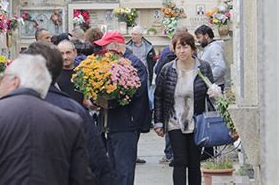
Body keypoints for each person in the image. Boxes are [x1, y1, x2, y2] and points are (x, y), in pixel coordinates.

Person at [0, 42, 114, 184]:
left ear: (16, 80)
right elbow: (92, 171)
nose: (0, 84)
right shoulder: (71, 118)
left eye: (3, 77)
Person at [154, 32, 220, 185]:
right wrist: (158, 122)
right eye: (178, 47)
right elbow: (159, 96)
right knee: (180, 161)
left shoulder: (203, 67)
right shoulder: (167, 69)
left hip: (196, 121)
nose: (182, 51)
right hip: (174, 121)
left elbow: (211, 91)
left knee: (194, 162)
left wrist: (214, 93)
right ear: (174, 49)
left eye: (185, 47)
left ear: (192, 49)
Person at [93, 31, 150, 185]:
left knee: (123, 171)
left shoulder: (134, 64)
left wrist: (108, 101)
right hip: (110, 125)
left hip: (125, 125)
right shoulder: (112, 62)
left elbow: (135, 94)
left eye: (105, 46)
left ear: (115, 45)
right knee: (112, 170)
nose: (103, 50)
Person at [154, 26, 189, 165]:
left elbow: (157, 71)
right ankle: (176, 154)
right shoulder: (170, 62)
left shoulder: (166, 55)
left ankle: (170, 153)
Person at [194, 25, 227, 90]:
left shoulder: (214, 48)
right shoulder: (209, 47)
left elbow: (221, 67)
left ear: (206, 36)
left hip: (215, 86)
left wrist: (208, 80)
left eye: (199, 37)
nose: (198, 40)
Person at [57, 40, 84, 105]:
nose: (65, 57)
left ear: (75, 53)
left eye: (68, 53)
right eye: (61, 53)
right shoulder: (53, 75)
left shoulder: (83, 72)